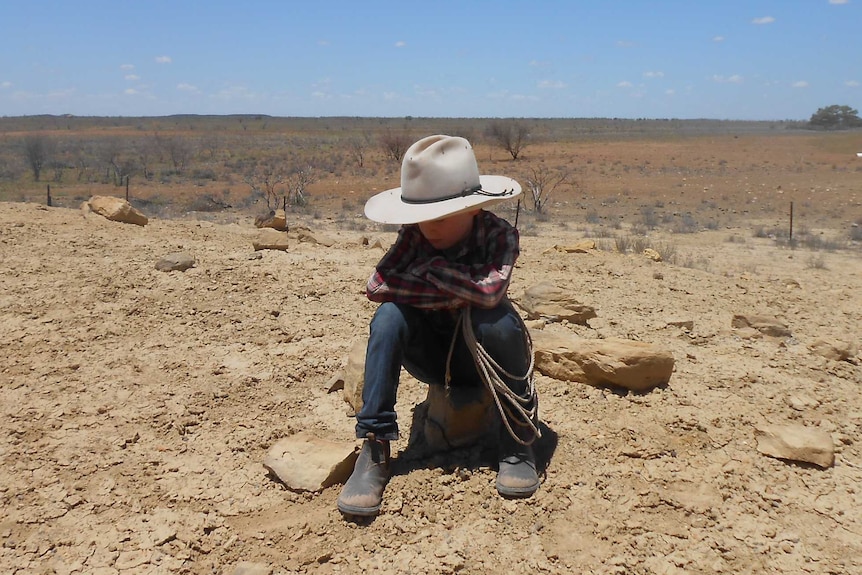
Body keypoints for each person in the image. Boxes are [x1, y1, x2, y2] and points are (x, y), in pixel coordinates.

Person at [337, 134, 540, 518]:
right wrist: (460, 286)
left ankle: (518, 434)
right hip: (430, 356)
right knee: (388, 317)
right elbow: (378, 286)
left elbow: (492, 291)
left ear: (473, 209)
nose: (429, 227)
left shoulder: (498, 234)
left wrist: (430, 272)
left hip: (483, 361)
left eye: (441, 216)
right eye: (422, 216)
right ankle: (375, 445)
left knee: (495, 318)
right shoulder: (414, 236)